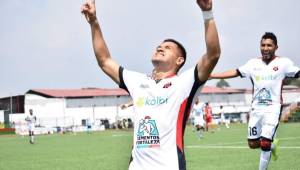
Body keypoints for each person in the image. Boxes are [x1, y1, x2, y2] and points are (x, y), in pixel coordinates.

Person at [81, 0, 221, 169]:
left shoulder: (184, 83)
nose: (160, 48)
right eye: (159, 46)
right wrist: (94, 22)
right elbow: (104, 61)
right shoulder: (138, 82)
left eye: (167, 47)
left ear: (179, 60)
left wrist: (208, 13)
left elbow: (213, 55)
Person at [210, 32, 300, 170]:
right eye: (263, 45)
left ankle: (266, 151)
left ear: (276, 47)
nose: (265, 48)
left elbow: (297, 72)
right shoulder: (252, 64)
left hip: (273, 108)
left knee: (264, 143)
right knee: (252, 144)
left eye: (269, 45)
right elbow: (236, 72)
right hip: (256, 109)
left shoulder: (284, 63)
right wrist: (213, 75)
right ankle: (272, 144)